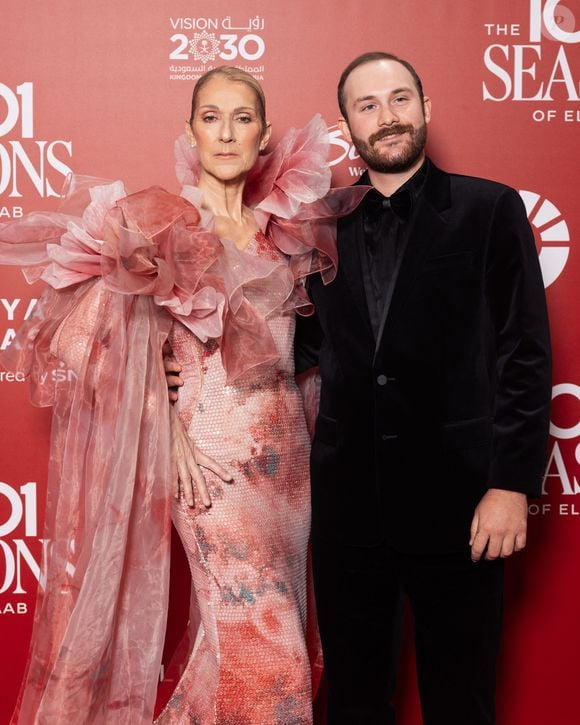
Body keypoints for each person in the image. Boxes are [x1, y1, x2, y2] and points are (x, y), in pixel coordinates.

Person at [0, 66, 364, 724]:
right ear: (190, 133)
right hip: (210, 465)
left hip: (287, 468)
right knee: (268, 651)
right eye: (211, 117)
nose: (226, 132)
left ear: (264, 137)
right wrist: (163, 423)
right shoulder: (161, 225)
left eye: (242, 118)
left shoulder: (285, 231)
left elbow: (311, 353)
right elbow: (81, 343)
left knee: (248, 653)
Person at [294, 52, 552, 724]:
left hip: (463, 502)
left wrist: (510, 484)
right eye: (369, 105)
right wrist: (180, 357)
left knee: (460, 700)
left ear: (426, 107)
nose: (388, 117)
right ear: (348, 124)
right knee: (353, 702)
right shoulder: (317, 222)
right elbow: (288, 345)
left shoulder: (490, 208)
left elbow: (524, 352)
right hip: (348, 507)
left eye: (400, 99)